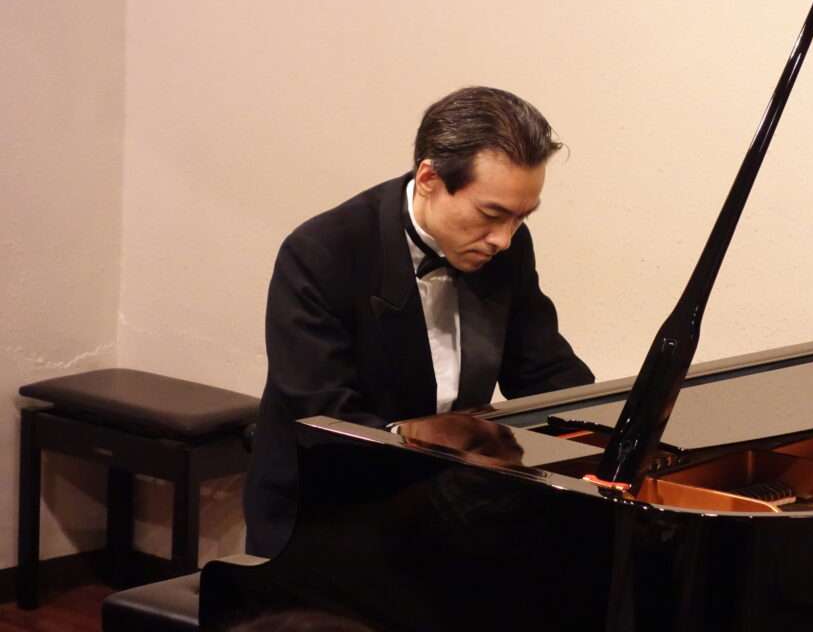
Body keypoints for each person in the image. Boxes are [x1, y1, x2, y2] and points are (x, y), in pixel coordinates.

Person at [244, 86, 594, 557]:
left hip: (448, 501)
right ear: (429, 178)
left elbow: (543, 369)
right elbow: (326, 417)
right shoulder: (322, 253)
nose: (504, 239)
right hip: (328, 510)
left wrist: (600, 435)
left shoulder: (506, 249)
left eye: (520, 218)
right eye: (491, 214)